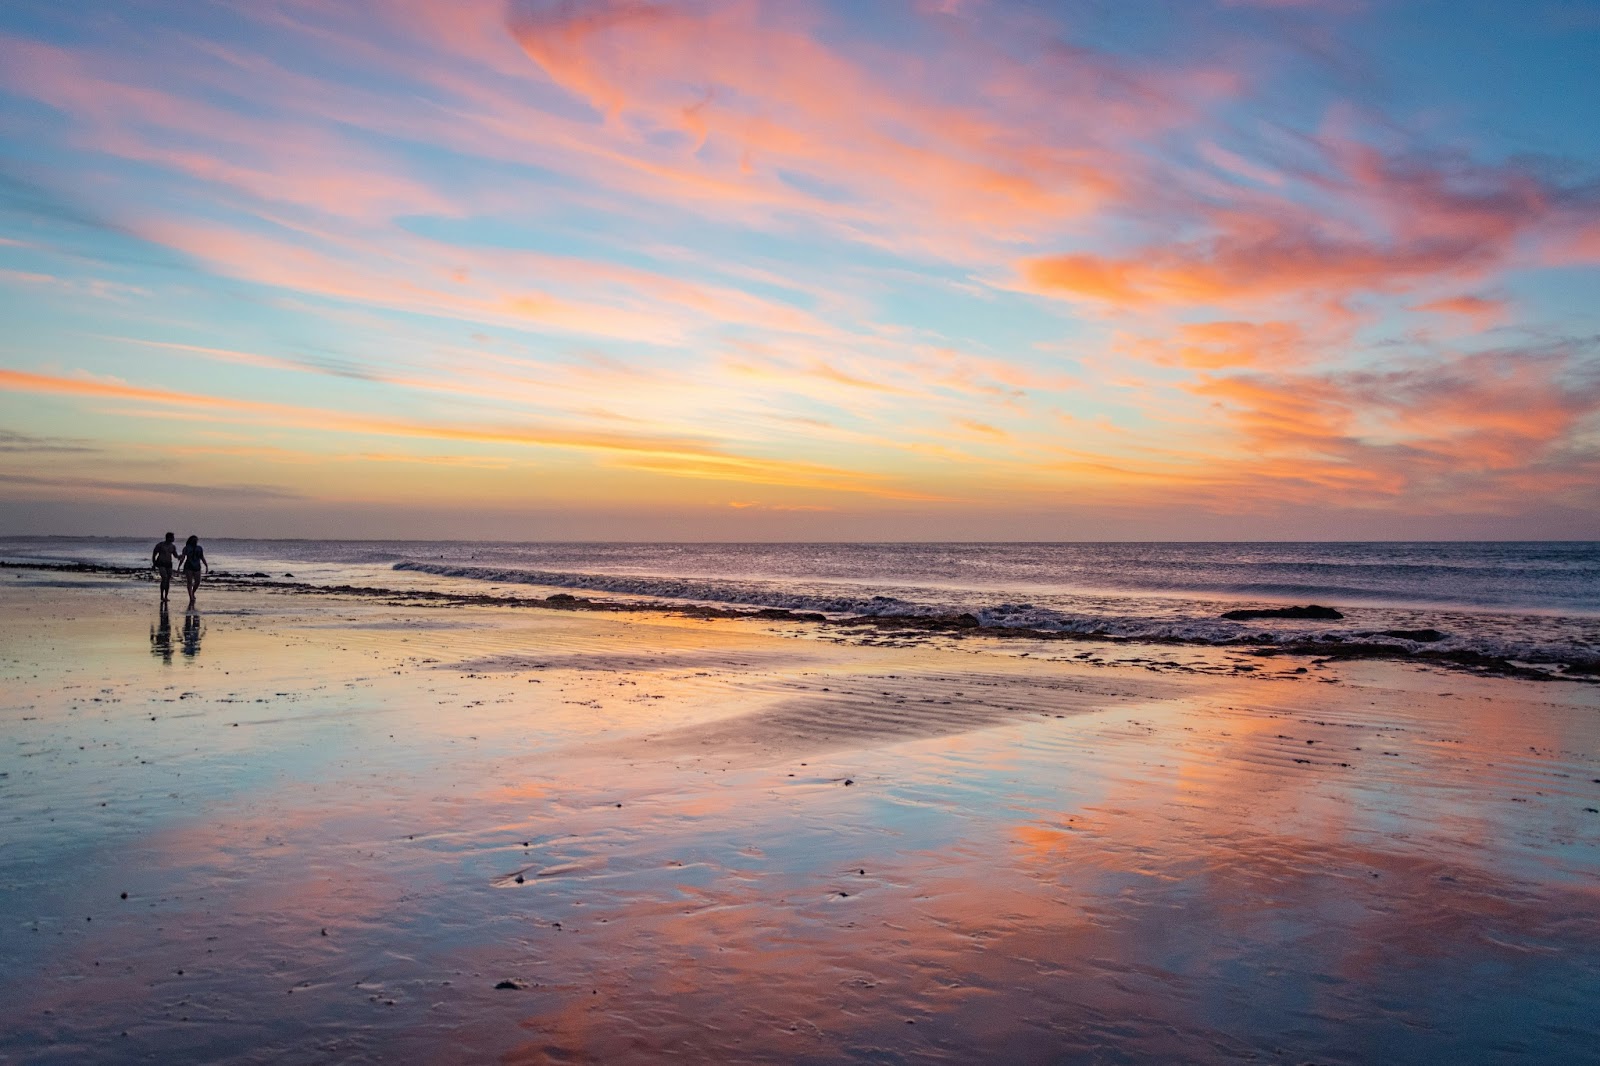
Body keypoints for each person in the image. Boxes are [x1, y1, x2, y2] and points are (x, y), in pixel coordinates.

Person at [178, 534, 209, 610]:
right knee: (189, 582)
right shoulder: (186, 548)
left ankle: (193, 592)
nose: (195, 541)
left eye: (196, 540)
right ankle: (191, 596)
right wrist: (179, 566)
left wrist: (206, 565)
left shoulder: (199, 548)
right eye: (194, 540)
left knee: (197, 582)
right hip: (189, 566)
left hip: (197, 566)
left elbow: (202, 557)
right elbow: (183, 557)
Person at [151, 532, 180, 606]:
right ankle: (161, 595)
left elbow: (175, 555)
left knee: (168, 580)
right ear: (168, 538)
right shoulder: (160, 545)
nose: (173, 539)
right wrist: (154, 564)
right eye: (172, 537)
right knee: (164, 578)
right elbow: (154, 554)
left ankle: (166, 596)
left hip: (169, 564)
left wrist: (180, 557)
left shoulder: (173, 546)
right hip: (161, 563)